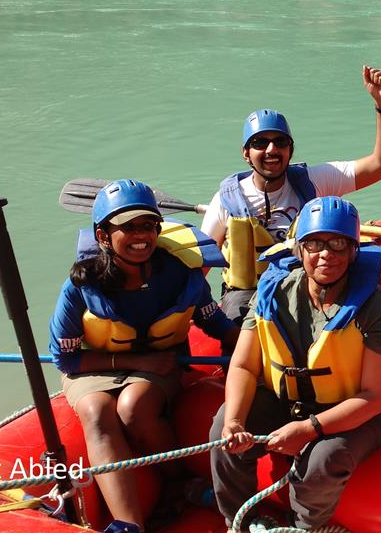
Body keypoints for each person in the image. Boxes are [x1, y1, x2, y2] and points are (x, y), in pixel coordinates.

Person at [49, 179, 240, 533]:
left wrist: (245, 349)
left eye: (149, 226)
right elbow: (66, 360)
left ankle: (178, 480)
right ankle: (129, 525)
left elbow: (211, 319)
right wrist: (135, 363)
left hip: (162, 362)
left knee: (133, 406)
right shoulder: (80, 286)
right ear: (103, 236)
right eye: (128, 227)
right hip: (96, 363)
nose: (141, 236)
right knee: (95, 411)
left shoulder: (179, 274)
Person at [208, 196, 381, 532]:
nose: (326, 254)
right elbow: (242, 365)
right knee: (221, 428)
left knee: (323, 459)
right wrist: (236, 422)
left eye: (338, 244)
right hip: (292, 400)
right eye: (314, 244)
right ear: (300, 250)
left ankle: (305, 527)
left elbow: (377, 395)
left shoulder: (377, 307)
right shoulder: (273, 293)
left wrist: (311, 429)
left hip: (357, 409)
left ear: (353, 251)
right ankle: (239, 521)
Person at [201, 66, 381, 325]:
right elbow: (199, 267)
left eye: (280, 142)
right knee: (239, 315)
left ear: (290, 150)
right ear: (246, 153)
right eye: (260, 143)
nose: (272, 150)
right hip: (247, 296)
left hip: (307, 286)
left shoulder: (314, 181)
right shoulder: (226, 200)